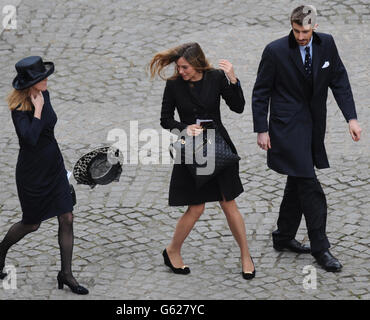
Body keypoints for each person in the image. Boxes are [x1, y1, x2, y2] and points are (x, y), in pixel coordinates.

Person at [252, 6, 362, 272]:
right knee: (309, 186)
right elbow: (261, 92)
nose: (301, 36)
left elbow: (339, 79)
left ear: (314, 26)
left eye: (305, 31)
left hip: (313, 126)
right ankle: (320, 248)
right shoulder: (275, 51)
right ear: (291, 25)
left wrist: (352, 118)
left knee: (297, 180)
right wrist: (262, 129)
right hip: (286, 129)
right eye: (297, 30)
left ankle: (283, 236)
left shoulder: (327, 44)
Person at [149, 42, 255, 280]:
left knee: (229, 203)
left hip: (219, 148)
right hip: (192, 151)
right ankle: (172, 250)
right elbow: (165, 119)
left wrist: (233, 79)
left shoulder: (216, 77)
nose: (181, 72)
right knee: (196, 207)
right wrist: (185, 127)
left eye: (185, 67)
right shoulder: (174, 85)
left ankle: (246, 255)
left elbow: (238, 107)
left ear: (197, 64)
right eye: (179, 67)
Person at [0, 56, 89, 294]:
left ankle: (66, 273)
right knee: (32, 224)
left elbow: (49, 129)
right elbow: (30, 139)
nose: (46, 80)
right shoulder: (19, 108)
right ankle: (0, 249)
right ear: (30, 83)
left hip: (53, 166)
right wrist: (39, 110)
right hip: (32, 173)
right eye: (41, 78)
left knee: (67, 217)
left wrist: (43, 106)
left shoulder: (45, 94)